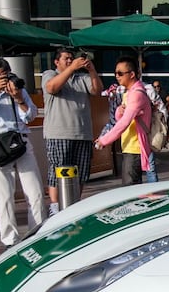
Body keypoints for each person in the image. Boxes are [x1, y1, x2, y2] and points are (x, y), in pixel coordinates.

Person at [0, 57, 45, 247]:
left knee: (35, 193)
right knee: (3, 197)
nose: (4, 80)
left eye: (6, 75)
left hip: (20, 142)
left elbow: (31, 116)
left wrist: (19, 99)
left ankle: (36, 234)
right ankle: (10, 240)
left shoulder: (17, 89)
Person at [41, 47, 103, 217]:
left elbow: (97, 90)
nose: (70, 61)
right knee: (57, 171)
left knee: (80, 173)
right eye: (66, 59)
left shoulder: (81, 78)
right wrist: (71, 68)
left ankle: (73, 204)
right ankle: (55, 208)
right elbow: (51, 88)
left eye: (71, 58)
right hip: (58, 134)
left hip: (82, 134)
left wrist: (91, 69)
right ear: (56, 62)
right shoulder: (49, 74)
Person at [94, 56, 152, 185]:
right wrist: (119, 111)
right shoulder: (130, 92)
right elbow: (122, 119)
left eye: (120, 73)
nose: (117, 76)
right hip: (129, 146)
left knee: (130, 189)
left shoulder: (136, 93)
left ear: (132, 74)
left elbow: (124, 123)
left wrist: (104, 140)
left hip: (135, 147)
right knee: (132, 189)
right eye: (115, 73)